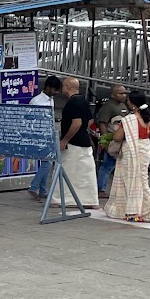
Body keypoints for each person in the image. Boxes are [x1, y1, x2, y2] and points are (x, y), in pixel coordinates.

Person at [102, 90, 150, 223]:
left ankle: (130, 211)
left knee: (129, 181)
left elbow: (118, 137)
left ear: (132, 104)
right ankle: (147, 211)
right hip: (144, 149)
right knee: (142, 180)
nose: (126, 103)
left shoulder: (129, 119)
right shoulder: (149, 117)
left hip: (131, 150)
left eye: (128, 101)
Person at [56, 76, 97, 210]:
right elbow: (89, 122)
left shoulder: (73, 103)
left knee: (67, 170)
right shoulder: (84, 101)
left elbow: (76, 123)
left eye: (63, 86)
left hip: (73, 142)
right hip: (84, 140)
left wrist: (65, 139)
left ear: (67, 87)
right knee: (85, 173)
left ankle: (62, 198)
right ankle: (88, 199)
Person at [27, 75, 63, 201]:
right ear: (48, 87)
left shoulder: (50, 100)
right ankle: (33, 186)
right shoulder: (37, 101)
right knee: (47, 163)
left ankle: (42, 190)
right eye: (55, 89)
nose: (57, 92)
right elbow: (31, 119)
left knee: (46, 162)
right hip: (39, 135)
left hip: (48, 134)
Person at [93, 83, 131, 198]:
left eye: (125, 93)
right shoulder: (108, 107)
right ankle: (101, 188)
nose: (124, 95)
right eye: (121, 93)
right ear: (113, 95)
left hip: (121, 139)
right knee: (107, 165)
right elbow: (103, 123)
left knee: (116, 165)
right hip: (112, 140)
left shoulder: (123, 106)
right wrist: (105, 140)